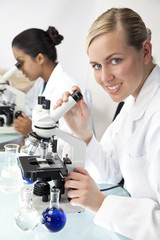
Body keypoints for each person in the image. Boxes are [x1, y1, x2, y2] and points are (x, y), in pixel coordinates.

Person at [54, 8, 160, 240]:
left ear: (145, 51)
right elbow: (110, 173)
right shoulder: (132, 101)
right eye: (96, 66)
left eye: (115, 60)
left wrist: (100, 203)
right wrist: (83, 133)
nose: (104, 77)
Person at [12, 26, 94, 154]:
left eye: (20, 62)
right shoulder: (41, 82)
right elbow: (25, 107)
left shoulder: (69, 90)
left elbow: (74, 145)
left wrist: (32, 131)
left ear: (40, 58)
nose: (19, 68)